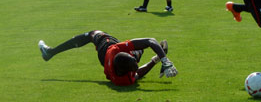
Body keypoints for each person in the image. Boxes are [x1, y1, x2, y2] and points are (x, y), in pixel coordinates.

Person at [38, 30, 177, 86]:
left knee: (93, 35)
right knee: (139, 51)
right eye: (134, 64)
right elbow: (138, 73)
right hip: (109, 57)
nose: (136, 66)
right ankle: (50, 52)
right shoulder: (123, 80)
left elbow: (149, 42)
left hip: (105, 51)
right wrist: (158, 59)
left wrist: (163, 59)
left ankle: (51, 52)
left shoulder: (116, 51)